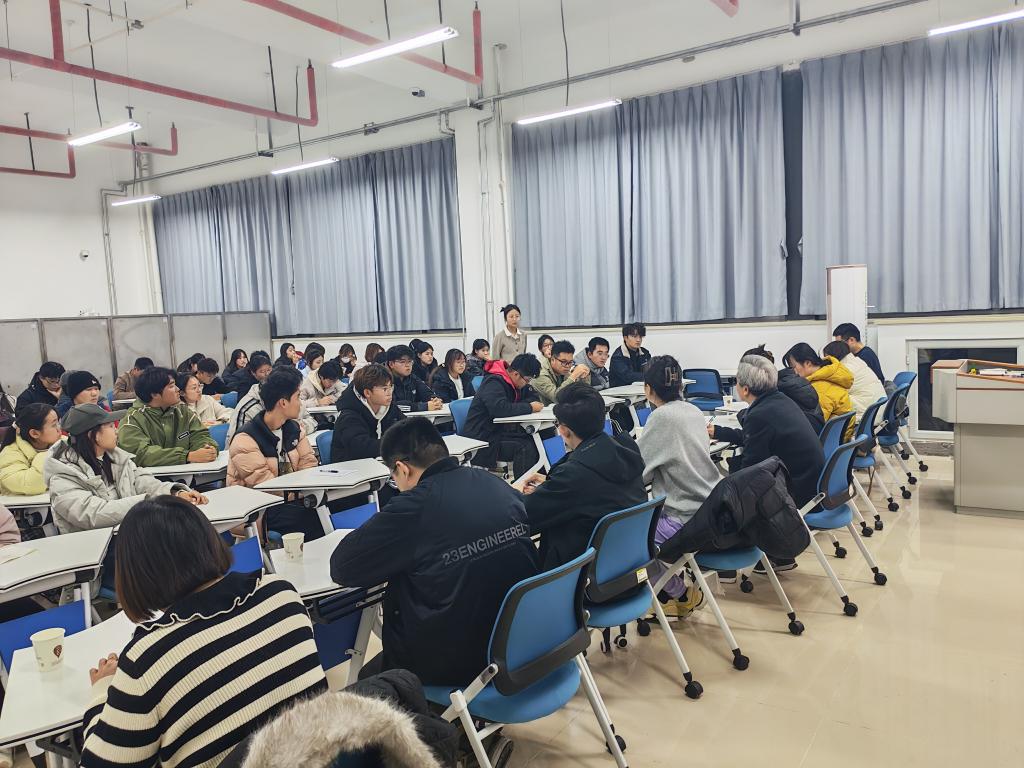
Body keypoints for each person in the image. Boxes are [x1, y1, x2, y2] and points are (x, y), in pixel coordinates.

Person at [77, 496, 327, 768]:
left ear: (135, 574)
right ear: (209, 540)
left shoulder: (147, 660)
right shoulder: (281, 593)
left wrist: (102, 691)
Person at [330, 418, 538, 686]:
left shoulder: (413, 507)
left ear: (402, 469)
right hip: (522, 640)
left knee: (367, 680)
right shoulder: (493, 482)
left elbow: (342, 567)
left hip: (459, 660)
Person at [516, 384, 647, 570]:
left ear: (564, 430)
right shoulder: (626, 450)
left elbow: (522, 517)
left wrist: (512, 493)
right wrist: (551, 486)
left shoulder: (572, 476)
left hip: (581, 577)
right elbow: (596, 490)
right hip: (627, 564)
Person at [637, 357, 719, 616]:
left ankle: (679, 593)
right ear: (680, 385)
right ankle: (674, 591)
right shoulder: (693, 410)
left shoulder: (661, 417)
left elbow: (640, 474)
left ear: (648, 389)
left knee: (627, 544)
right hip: (709, 508)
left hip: (683, 517)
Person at [46, 404, 205, 534]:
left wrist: (174, 493)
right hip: (95, 550)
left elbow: (141, 481)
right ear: (92, 435)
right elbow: (93, 514)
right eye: (110, 426)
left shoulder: (116, 457)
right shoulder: (63, 475)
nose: (116, 430)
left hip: (130, 536)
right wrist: (148, 502)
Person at [710, 354, 824, 517]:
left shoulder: (759, 414)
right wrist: (719, 431)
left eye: (737, 382)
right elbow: (757, 437)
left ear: (745, 389)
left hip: (797, 495)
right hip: (814, 486)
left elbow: (749, 473)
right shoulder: (780, 400)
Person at [227, 368, 322, 541]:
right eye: (297, 397)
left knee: (329, 505)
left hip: (290, 499)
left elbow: (309, 463)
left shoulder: (293, 429)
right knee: (312, 517)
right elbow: (267, 486)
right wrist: (302, 492)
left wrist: (305, 491)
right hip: (259, 508)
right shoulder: (246, 439)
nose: (301, 403)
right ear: (283, 403)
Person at [117, 367, 219, 467]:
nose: (178, 389)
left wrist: (207, 448)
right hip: (151, 477)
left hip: (187, 474)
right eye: (171, 386)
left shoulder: (182, 411)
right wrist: (187, 456)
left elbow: (200, 435)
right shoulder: (132, 421)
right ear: (155, 394)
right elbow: (141, 454)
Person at [463, 354, 543, 479]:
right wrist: (529, 407)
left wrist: (522, 405)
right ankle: (521, 488)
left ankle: (540, 483)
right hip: (483, 437)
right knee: (525, 447)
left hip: (498, 432)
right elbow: (499, 409)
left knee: (539, 439)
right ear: (516, 374)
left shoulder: (516, 382)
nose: (527, 384)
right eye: (527, 380)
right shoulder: (493, 382)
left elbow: (533, 397)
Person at [330, 364, 405, 465]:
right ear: (367, 393)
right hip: (351, 468)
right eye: (384, 389)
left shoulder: (388, 407)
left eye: (391, 387)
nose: (389, 392)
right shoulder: (349, 416)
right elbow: (363, 449)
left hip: (379, 465)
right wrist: (397, 443)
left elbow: (406, 426)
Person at [744, 345, 824, 433]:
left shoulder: (778, 390)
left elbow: (759, 423)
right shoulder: (792, 382)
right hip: (813, 436)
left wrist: (743, 415)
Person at [784, 343, 855, 426]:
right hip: (841, 432)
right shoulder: (828, 375)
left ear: (807, 363)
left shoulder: (820, 388)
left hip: (833, 434)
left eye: (793, 367)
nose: (793, 372)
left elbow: (815, 424)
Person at [0, 403, 61, 495]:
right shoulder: (10, 454)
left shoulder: (62, 442)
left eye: (58, 423)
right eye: (54, 425)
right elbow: (30, 484)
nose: (59, 429)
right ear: (34, 433)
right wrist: (49, 452)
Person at [823, 340, 887, 419]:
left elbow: (834, 395)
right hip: (877, 410)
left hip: (867, 416)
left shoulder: (843, 371)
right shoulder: (857, 361)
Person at [533, 340, 591, 405]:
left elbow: (581, 394)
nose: (568, 366)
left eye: (570, 362)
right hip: (538, 410)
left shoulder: (563, 369)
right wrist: (573, 376)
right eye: (564, 361)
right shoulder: (540, 373)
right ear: (553, 359)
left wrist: (584, 376)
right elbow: (557, 398)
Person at [386, 345, 442, 413]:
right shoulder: (383, 380)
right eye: (402, 362)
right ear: (391, 364)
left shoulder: (412, 378)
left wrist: (435, 400)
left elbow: (427, 392)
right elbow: (390, 406)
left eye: (410, 361)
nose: (407, 365)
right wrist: (423, 406)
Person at [610, 322, 652, 387]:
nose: (638, 340)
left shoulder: (645, 353)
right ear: (625, 338)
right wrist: (650, 376)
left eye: (640, 337)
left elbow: (651, 370)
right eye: (634, 336)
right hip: (620, 390)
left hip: (639, 388)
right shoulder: (618, 356)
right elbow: (628, 376)